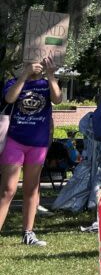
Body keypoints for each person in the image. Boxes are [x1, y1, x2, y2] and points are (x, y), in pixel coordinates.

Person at [0, 59, 62, 246]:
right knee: (8, 189)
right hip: (15, 142)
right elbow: (9, 98)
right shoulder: (13, 82)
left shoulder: (46, 84)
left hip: (38, 144)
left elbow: (57, 99)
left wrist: (51, 76)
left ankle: (28, 233)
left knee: (31, 189)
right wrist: (25, 75)